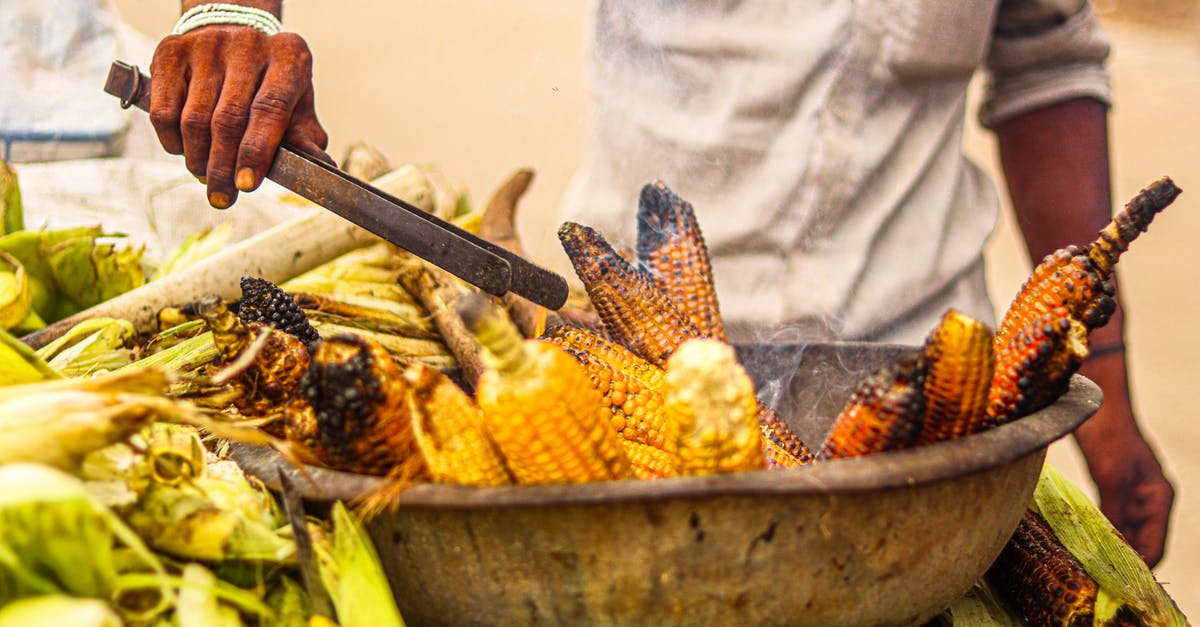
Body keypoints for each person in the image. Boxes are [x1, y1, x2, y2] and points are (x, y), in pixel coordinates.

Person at [148, 0, 1174, 566]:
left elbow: (1046, 68)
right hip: (621, 365)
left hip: (910, 390)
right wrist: (230, 11)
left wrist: (1110, 398)